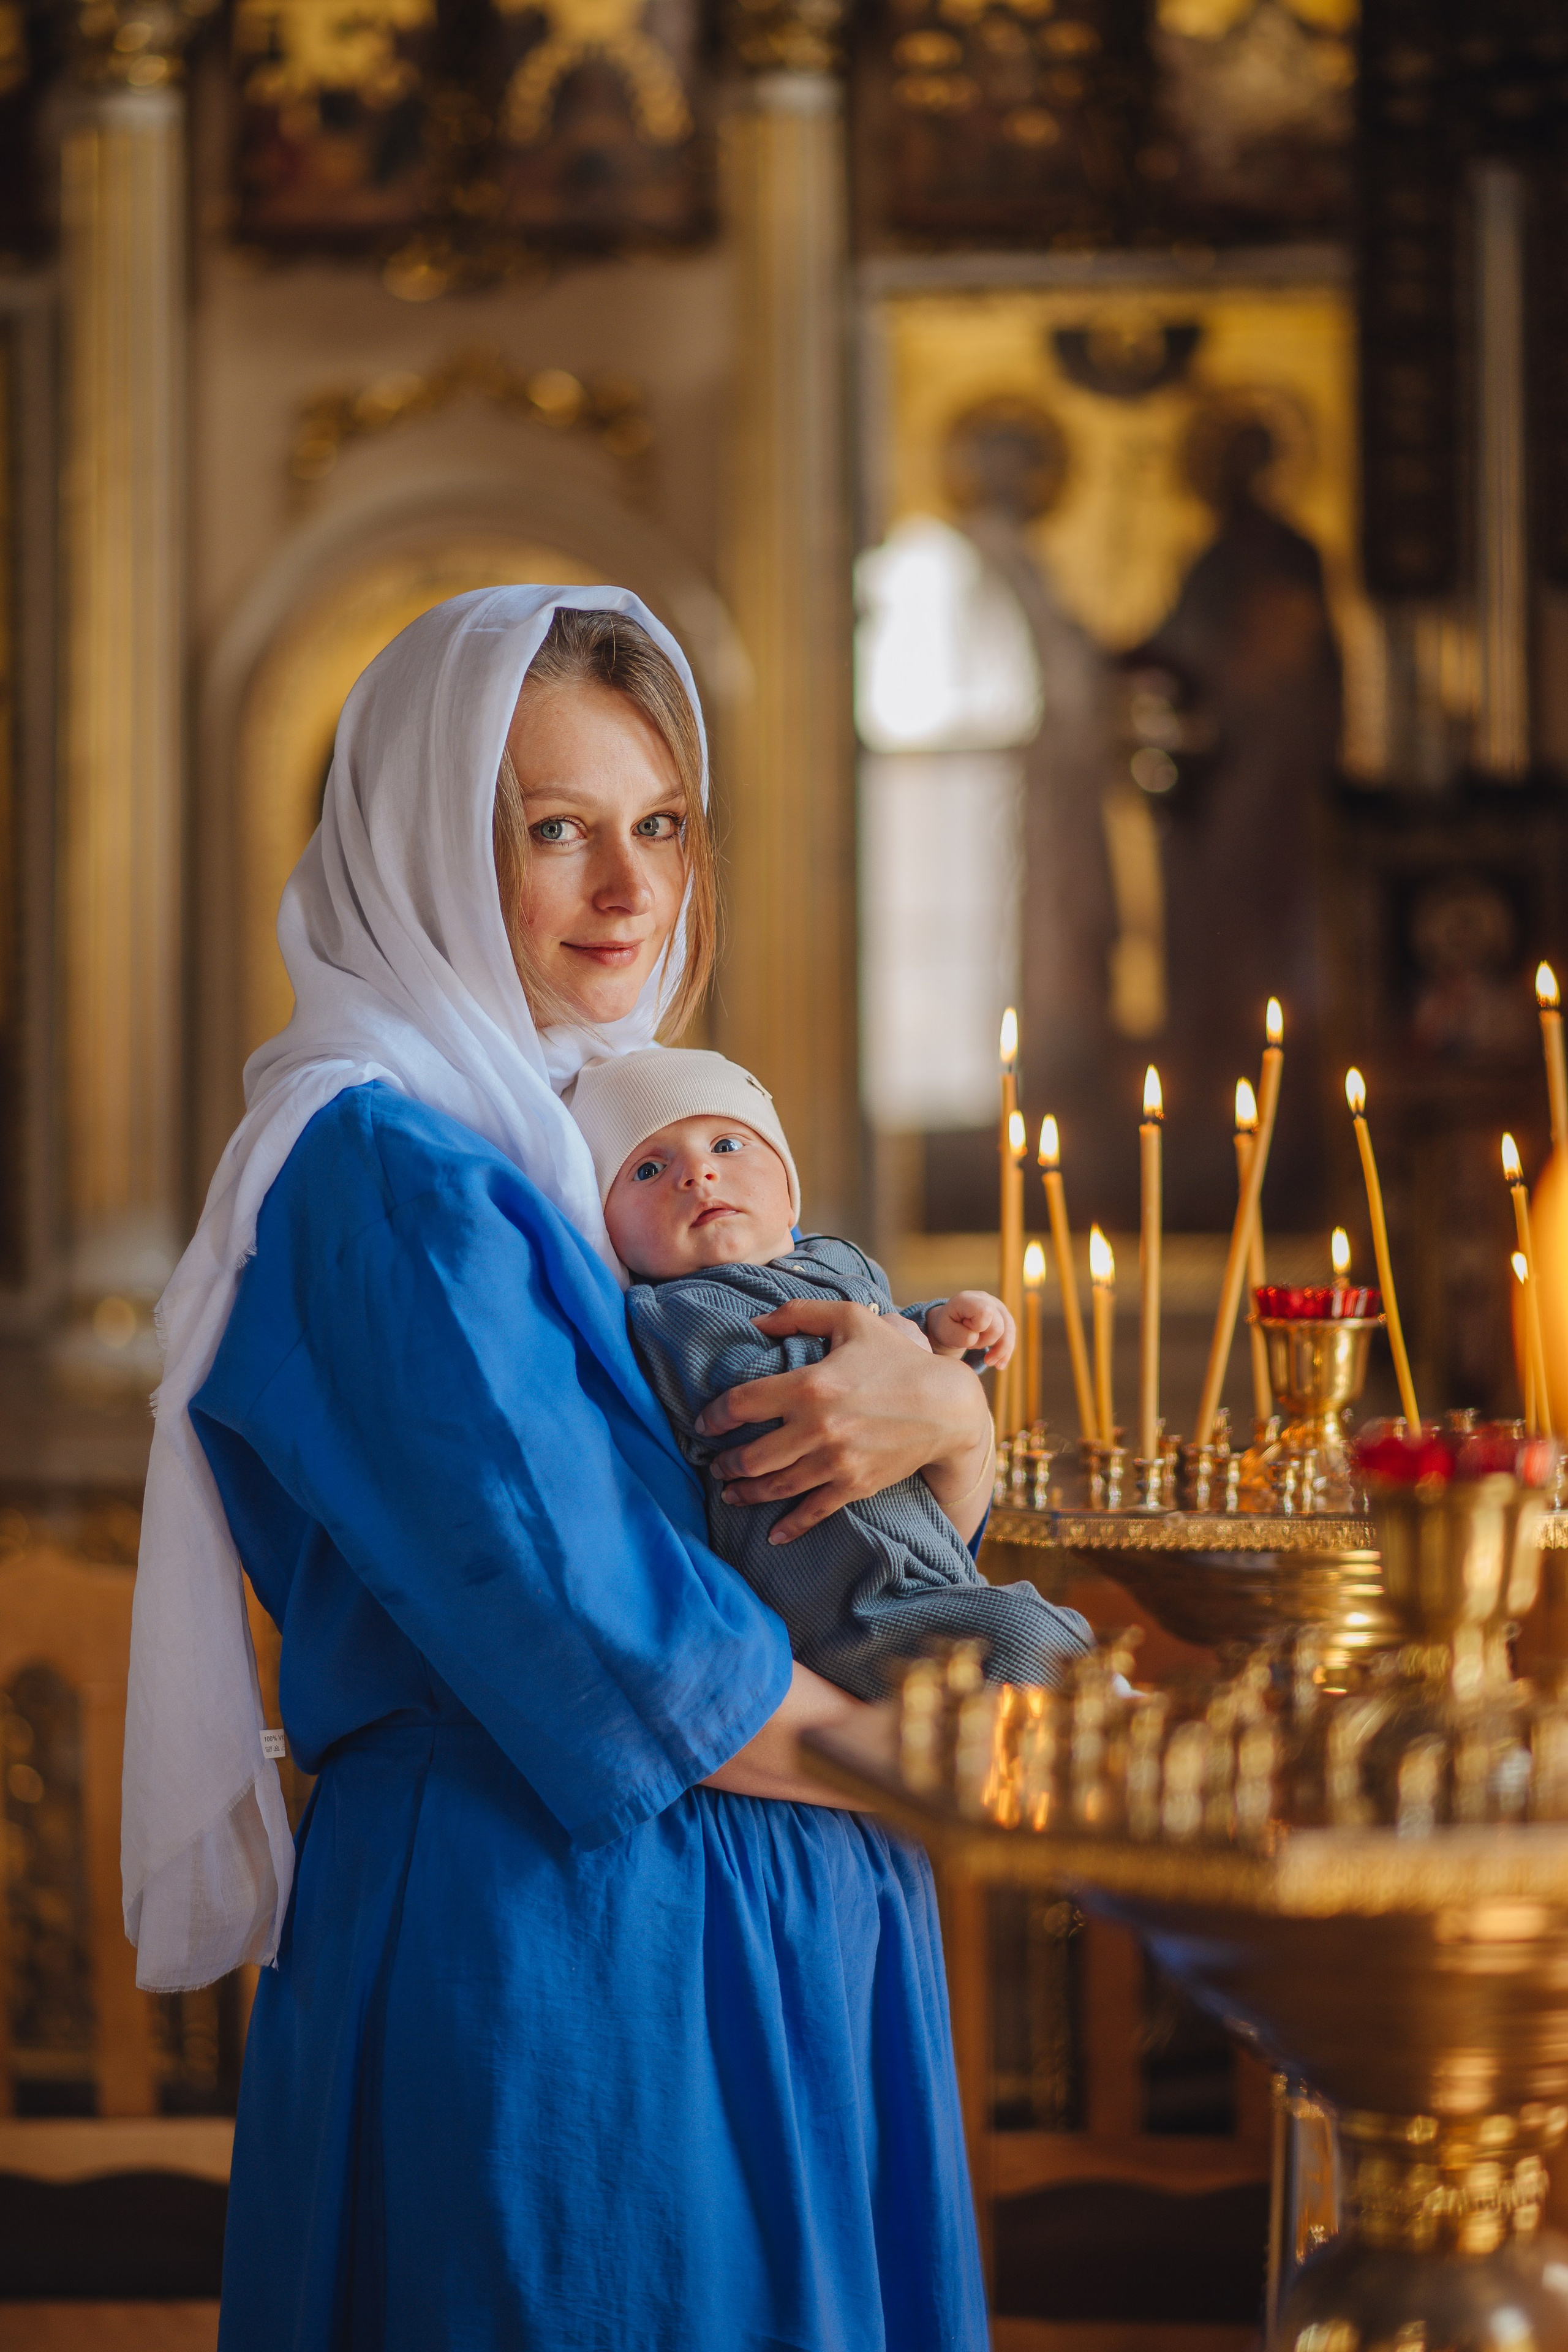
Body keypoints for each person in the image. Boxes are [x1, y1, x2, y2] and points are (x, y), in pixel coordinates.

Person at [119, 587, 993, 2351]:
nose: (630, 889)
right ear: (429, 846)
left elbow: (811, 1551)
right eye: (557, 831)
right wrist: (974, 1777)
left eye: (659, 824)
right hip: (564, 1959)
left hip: (755, 1914)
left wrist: (950, 1434)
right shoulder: (380, 1168)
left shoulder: (620, 1143)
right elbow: (622, 1648)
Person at [570, 1043, 1095, 1699]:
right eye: (648, 1169)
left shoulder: (834, 1260)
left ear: (790, 1193)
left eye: (728, 1146)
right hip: (837, 1602)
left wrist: (939, 1328)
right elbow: (749, 1380)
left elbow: (889, 1340)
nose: (698, 1175)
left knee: (1050, 1632)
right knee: (1025, 1639)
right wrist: (899, 1358)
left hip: (920, 1563)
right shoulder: (674, 1310)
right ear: (610, 1229)